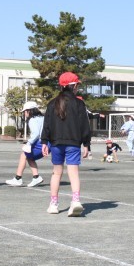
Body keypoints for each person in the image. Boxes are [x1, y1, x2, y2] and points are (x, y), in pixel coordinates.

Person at [41, 72, 91, 217]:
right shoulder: (79, 103)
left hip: (56, 143)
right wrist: (86, 144)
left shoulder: (52, 103)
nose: (78, 88)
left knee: (56, 173)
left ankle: (53, 204)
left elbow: (47, 124)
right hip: (73, 143)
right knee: (73, 173)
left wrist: (44, 141)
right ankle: (75, 201)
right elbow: (84, 125)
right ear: (73, 86)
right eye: (77, 86)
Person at [6, 101, 47, 187]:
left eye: (25, 111)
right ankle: (36, 177)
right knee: (29, 157)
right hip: (47, 143)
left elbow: (36, 134)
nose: (24, 113)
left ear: (30, 111)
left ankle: (18, 178)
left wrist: (28, 143)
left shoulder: (32, 120)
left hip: (40, 143)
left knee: (24, 154)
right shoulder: (43, 118)